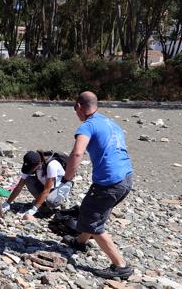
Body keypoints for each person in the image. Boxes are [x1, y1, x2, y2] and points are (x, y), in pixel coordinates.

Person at [62, 91, 134, 280]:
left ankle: (121, 266)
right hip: (126, 177)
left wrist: (67, 177)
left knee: (93, 220)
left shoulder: (87, 126)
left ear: (78, 107)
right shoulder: (111, 123)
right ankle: (79, 242)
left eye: (75, 110)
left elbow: (77, 153)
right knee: (91, 210)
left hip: (109, 181)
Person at [0, 151, 72, 220]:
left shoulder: (51, 166)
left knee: (51, 201)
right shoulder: (30, 163)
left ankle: (63, 199)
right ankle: (43, 205)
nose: (30, 170)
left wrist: (34, 209)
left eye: (31, 169)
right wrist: (7, 203)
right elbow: (19, 185)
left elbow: (47, 190)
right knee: (27, 179)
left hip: (59, 186)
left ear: (39, 164)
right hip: (44, 184)